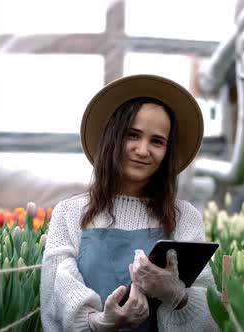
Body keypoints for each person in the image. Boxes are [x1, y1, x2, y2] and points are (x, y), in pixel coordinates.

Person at [40, 74, 220, 331]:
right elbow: (55, 301)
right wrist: (100, 323)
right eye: (132, 135)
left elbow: (206, 316)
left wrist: (176, 295)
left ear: (168, 151)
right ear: (113, 138)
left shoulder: (185, 217)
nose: (143, 150)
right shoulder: (69, 213)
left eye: (157, 141)